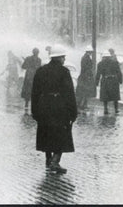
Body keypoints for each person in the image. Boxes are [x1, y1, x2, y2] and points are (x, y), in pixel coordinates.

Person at [31, 45, 77, 174]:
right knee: (62, 134)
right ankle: (55, 161)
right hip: (59, 107)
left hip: (44, 105)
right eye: (63, 57)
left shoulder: (41, 70)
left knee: (46, 133)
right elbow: (69, 93)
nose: (64, 59)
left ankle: (48, 159)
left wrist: (34, 110)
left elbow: (34, 92)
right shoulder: (64, 72)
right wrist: (73, 112)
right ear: (59, 58)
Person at [95, 50, 123, 115]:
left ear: (103, 57)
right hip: (114, 80)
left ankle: (105, 109)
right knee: (115, 96)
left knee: (105, 96)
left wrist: (96, 82)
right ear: (109, 56)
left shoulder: (100, 64)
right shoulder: (115, 62)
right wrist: (120, 80)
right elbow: (119, 72)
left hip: (105, 80)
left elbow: (98, 74)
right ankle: (116, 109)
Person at [75, 45, 96, 111]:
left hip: (84, 76)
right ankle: (82, 105)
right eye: (91, 52)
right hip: (86, 77)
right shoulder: (86, 58)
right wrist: (89, 76)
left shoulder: (85, 57)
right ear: (89, 51)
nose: (91, 53)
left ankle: (82, 105)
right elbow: (86, 68)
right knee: (85, 92)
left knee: (83, 91)